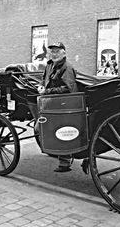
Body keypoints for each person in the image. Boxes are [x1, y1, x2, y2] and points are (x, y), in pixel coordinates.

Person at [37, 42, 78, 172]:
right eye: (52, 51)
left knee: (62, 130)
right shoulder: (50, 65)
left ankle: (64, 162)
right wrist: (41, 86)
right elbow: (44, 80)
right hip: (51, 103)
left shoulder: (67, 67)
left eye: (57, 51)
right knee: (41, 128)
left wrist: (47, 92)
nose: (54, 54)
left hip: (63, 104)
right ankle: (53, 148)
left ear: (64, 53)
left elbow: (68, 88)